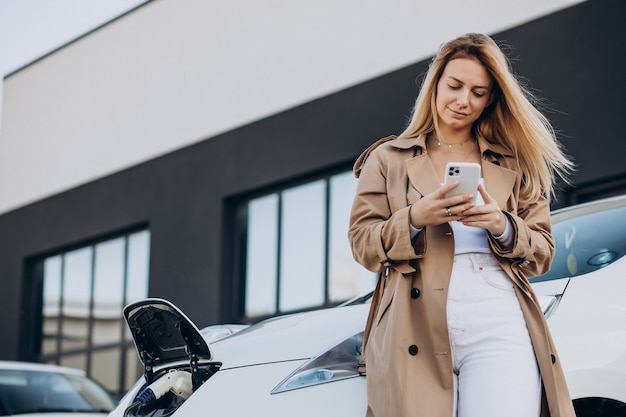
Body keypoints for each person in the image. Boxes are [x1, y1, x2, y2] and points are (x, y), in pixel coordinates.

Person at [348, 33, 576, 417]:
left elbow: (543, 252)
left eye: (478, 92)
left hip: (496, 311)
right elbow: (362, 244)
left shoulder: (514, 162)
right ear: (435, 83)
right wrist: (416, 218)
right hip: (413, 316)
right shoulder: (387, 158)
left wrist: (501, 224)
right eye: (454, 86)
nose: (463, 100)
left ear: (491, 99)